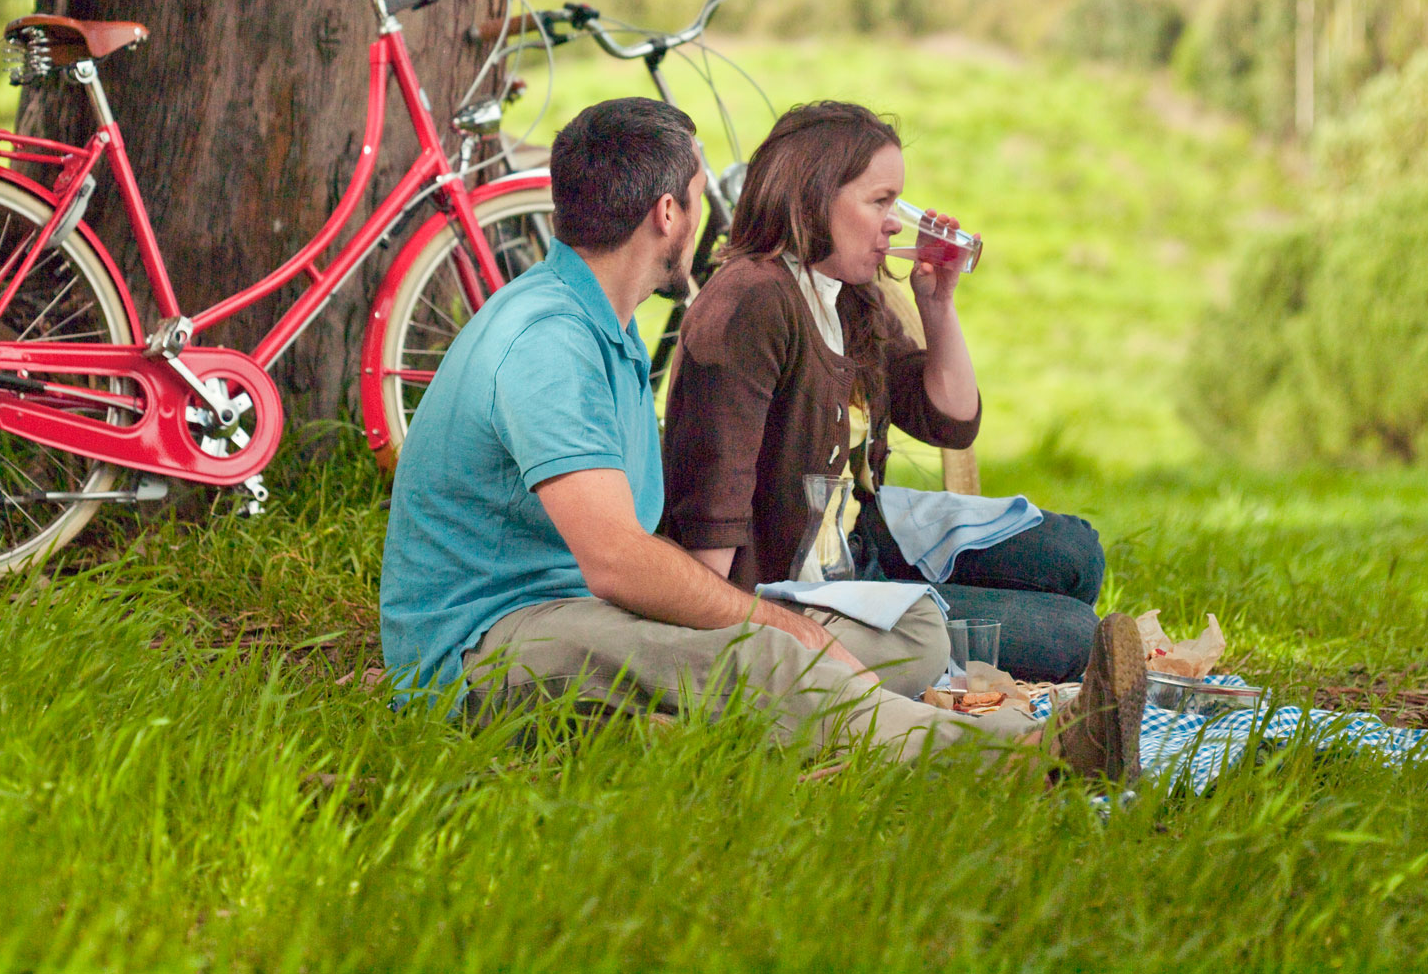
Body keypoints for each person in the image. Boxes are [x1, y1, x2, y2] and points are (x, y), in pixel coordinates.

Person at [381, 95, 1144, 779]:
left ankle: (694, 730)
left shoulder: (600, 330)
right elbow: (615, 558)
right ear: (667, 214)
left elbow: (945, 414)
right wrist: (777, 625)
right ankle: (1035, 756)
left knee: (909, 635)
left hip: (574, 613)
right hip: (484, 647)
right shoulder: (545, 341)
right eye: (695, 192)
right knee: (768, 654)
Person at [661, 101, 1105, 685]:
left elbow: (950, 420)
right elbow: (710, 518)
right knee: (1074, 635)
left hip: (856, 541)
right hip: (797, 584)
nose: (895, 222)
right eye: (880, 201)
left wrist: (937, 303)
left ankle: (934, 622)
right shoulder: (753, 303)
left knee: (1076, 553)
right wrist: (730, 644)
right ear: (814, 197)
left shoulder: (846, 291)